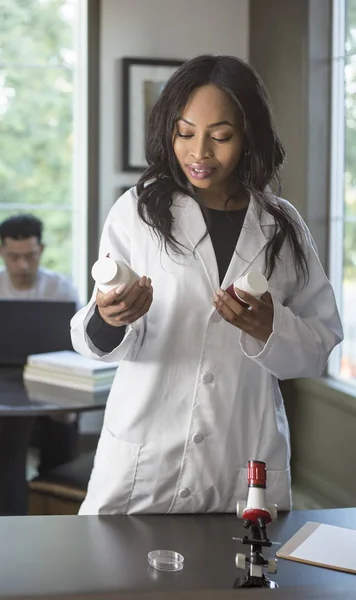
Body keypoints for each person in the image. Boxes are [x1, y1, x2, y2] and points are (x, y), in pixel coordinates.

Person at [71, 55, 343, 515]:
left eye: (220, 137)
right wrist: (109, 317)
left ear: (248, 136)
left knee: (237, 580)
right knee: (118, 583)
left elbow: (320, 346)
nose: (199, 153)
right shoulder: (138, 211)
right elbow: (99, 330)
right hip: (145, 460)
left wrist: (269, 327)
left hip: (240, 460)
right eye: (185, 133)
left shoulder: (283, 226)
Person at [0, 213, 81, 516]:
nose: (22, 265)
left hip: (49, 383)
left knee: (63, 418)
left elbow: (78, 336)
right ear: (1, 252)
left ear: (42, 250)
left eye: (30, 256)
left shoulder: (60, 288)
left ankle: (52, 492)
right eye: (14, 257)